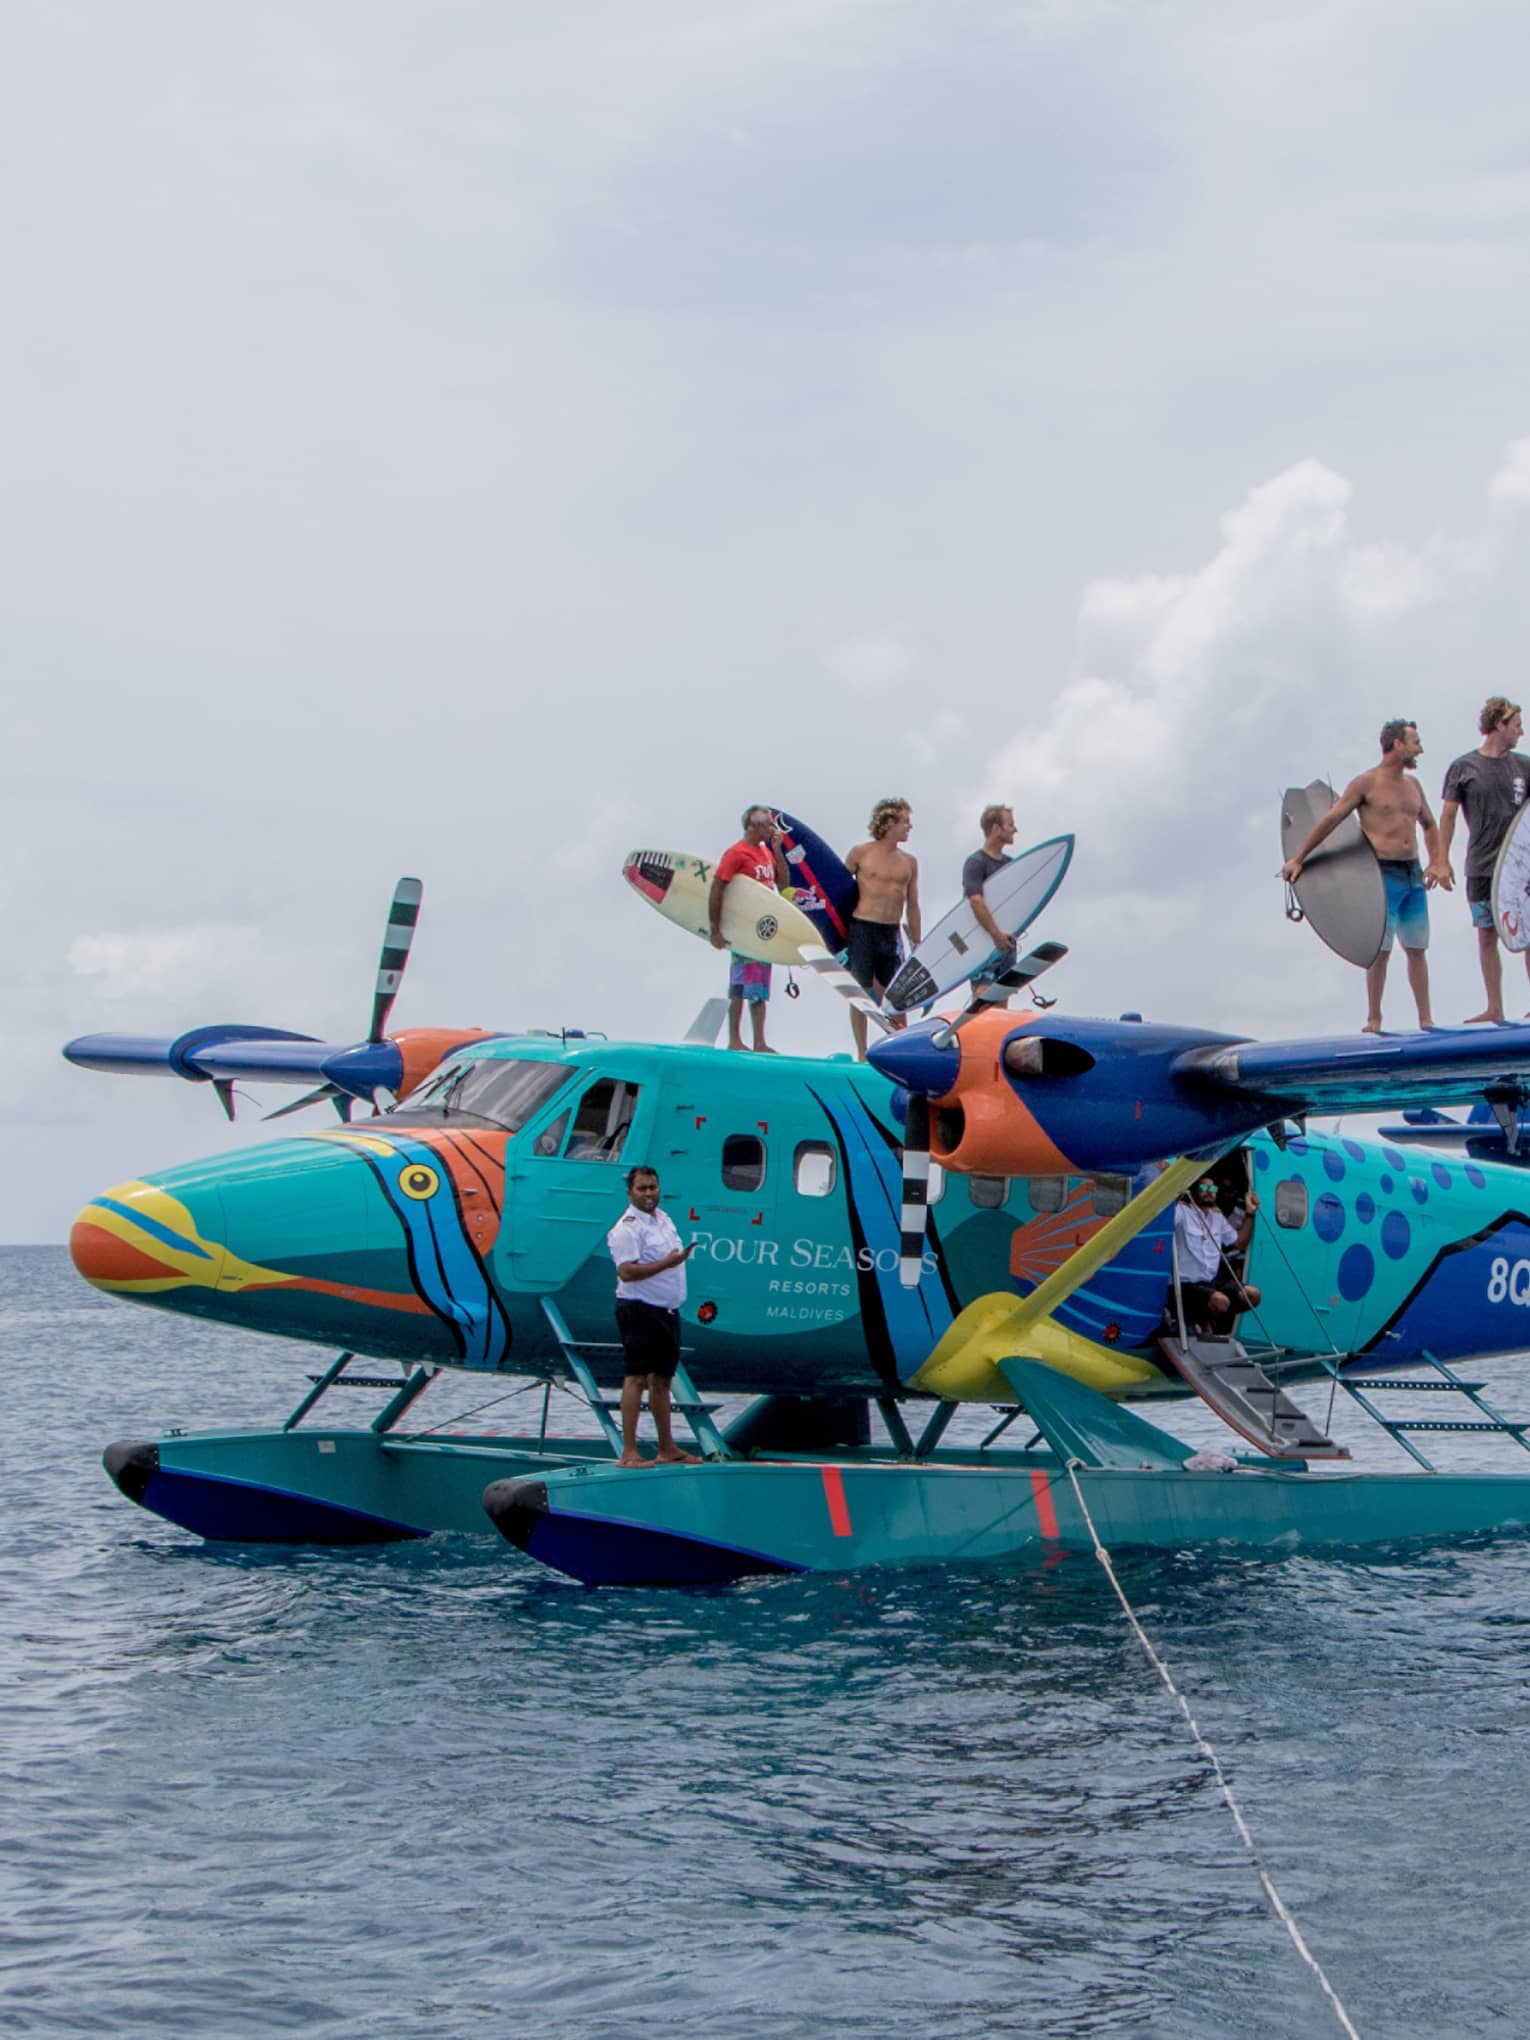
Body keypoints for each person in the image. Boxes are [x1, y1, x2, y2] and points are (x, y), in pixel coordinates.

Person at [1280, 719, 1449, 1033]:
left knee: (1417, 949)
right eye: (1415, 742)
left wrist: (1438, 861)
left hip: (1412, 873)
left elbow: (1429, 824)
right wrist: (1299, 858)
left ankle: (1426, 1018)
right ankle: (1374, 1018)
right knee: (1379, 950)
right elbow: (1333, 819)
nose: (1420, 749)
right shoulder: (1366, 783)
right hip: (1381, 876)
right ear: (1397, 744)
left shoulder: (1413, 786)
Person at [1438, 698, 1530, 1023]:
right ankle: (1495, 1007)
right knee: (1487, 934)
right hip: (1481, 866)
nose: (1521, 731)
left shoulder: (1524, 766)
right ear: (1499, 725)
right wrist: (1440, 860)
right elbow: (1447, 816)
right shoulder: (1464, 768)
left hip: (1522, 870)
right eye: (1516, 724)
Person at [606, 1166, 699, 1468]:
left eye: (653, 1187)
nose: (648, 1194)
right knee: (636, 1378)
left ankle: (667, 1447)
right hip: (638, 1308)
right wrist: (668, 1263)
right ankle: (629, 1451)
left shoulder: (664, 1220)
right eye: (642, 1189)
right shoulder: (627, 1227)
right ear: (630, 1193)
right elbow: (627, 1271)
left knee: (662, 1379)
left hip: (666, 1311)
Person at [842, 797, 922, 1059]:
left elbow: (913, 904)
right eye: (905, 822)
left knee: (898, 993)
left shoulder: (909, 862)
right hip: (863, 927)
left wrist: (918, 942)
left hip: (891, 932)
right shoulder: (861, 853)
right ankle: (862, 1051)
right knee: (860, 990)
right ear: (889, 824)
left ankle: (898, 1046)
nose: (909, 827)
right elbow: (839, 891)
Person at [709, 805, 790, 1052]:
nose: (771, 829)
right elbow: (718, 888)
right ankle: (734, 1039)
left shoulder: (765, 852)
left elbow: (783, 885)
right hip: (742, 927)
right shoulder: (736, 854)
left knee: (760, 986)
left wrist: (777, 851)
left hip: (762, 929)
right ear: (753, 826)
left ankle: (759, 1042)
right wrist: (715, 927)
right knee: (740, 984)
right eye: (767, 824)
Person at [1172, 1178, 1262, 1337]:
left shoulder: (1217, 1218)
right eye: (1204, 1187)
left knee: (1252, 1295)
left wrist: (1250, 1213)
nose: (1209, 1192)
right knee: (1221, 1301)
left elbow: (1240, 1243)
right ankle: (1197, 1322)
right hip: (1184, 1285)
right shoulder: (1182, 1211)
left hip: (1209, 1283)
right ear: (1193, 1191)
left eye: (1213, 1189)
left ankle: (1207, 1321)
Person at [961, 804, 1019, 968]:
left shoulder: (1011, 865)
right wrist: (995, 935)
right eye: (1010, 825)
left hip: (1007, 939)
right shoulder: (976, 863)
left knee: (1002, 992)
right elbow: (976, 901)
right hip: (982, 941)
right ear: (996, 828)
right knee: (984, 991)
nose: (1015, 830)